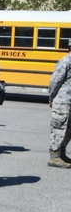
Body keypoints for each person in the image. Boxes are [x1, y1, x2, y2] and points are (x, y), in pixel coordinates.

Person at [48, 40, 71, 168]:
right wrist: (51, 97)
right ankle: (54, 156)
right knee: (59, 128)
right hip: (63, 101)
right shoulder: (65, 62)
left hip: (69, 101)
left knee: (68, 130)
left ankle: (61, 152)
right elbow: (55, 81)